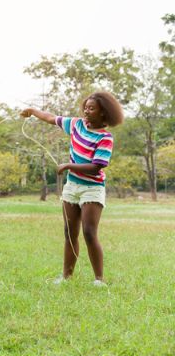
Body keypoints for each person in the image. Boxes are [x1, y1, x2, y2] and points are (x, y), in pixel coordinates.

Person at [20, 91, 123, 286]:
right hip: (72, 187)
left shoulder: (105, 138)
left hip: (92, 188)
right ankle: (66, 277)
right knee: (69, 232)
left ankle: (99, 280)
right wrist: (33, 111)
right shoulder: (77, 124)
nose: (86, 110)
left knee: (89, 232)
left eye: (92, 108)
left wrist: (68, 166)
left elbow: (96, 167)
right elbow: (51, 118)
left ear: (103, 113)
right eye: (86, 106)